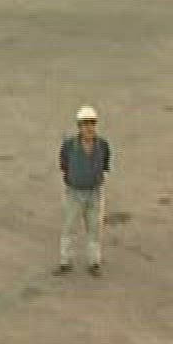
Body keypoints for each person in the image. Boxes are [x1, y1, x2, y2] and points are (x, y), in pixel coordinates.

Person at [55, 105, 112, 276]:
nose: (89, 128)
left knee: (94, 228)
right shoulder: (70, 145)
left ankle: (94, 262)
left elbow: (106, 162)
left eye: (92, 123)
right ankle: (65, 261)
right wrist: (71, 178)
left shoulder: (102, 145)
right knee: (69, 227)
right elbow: (63, 163)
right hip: (74, 193)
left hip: (94, 193)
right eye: (85, 124)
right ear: (79, 126)